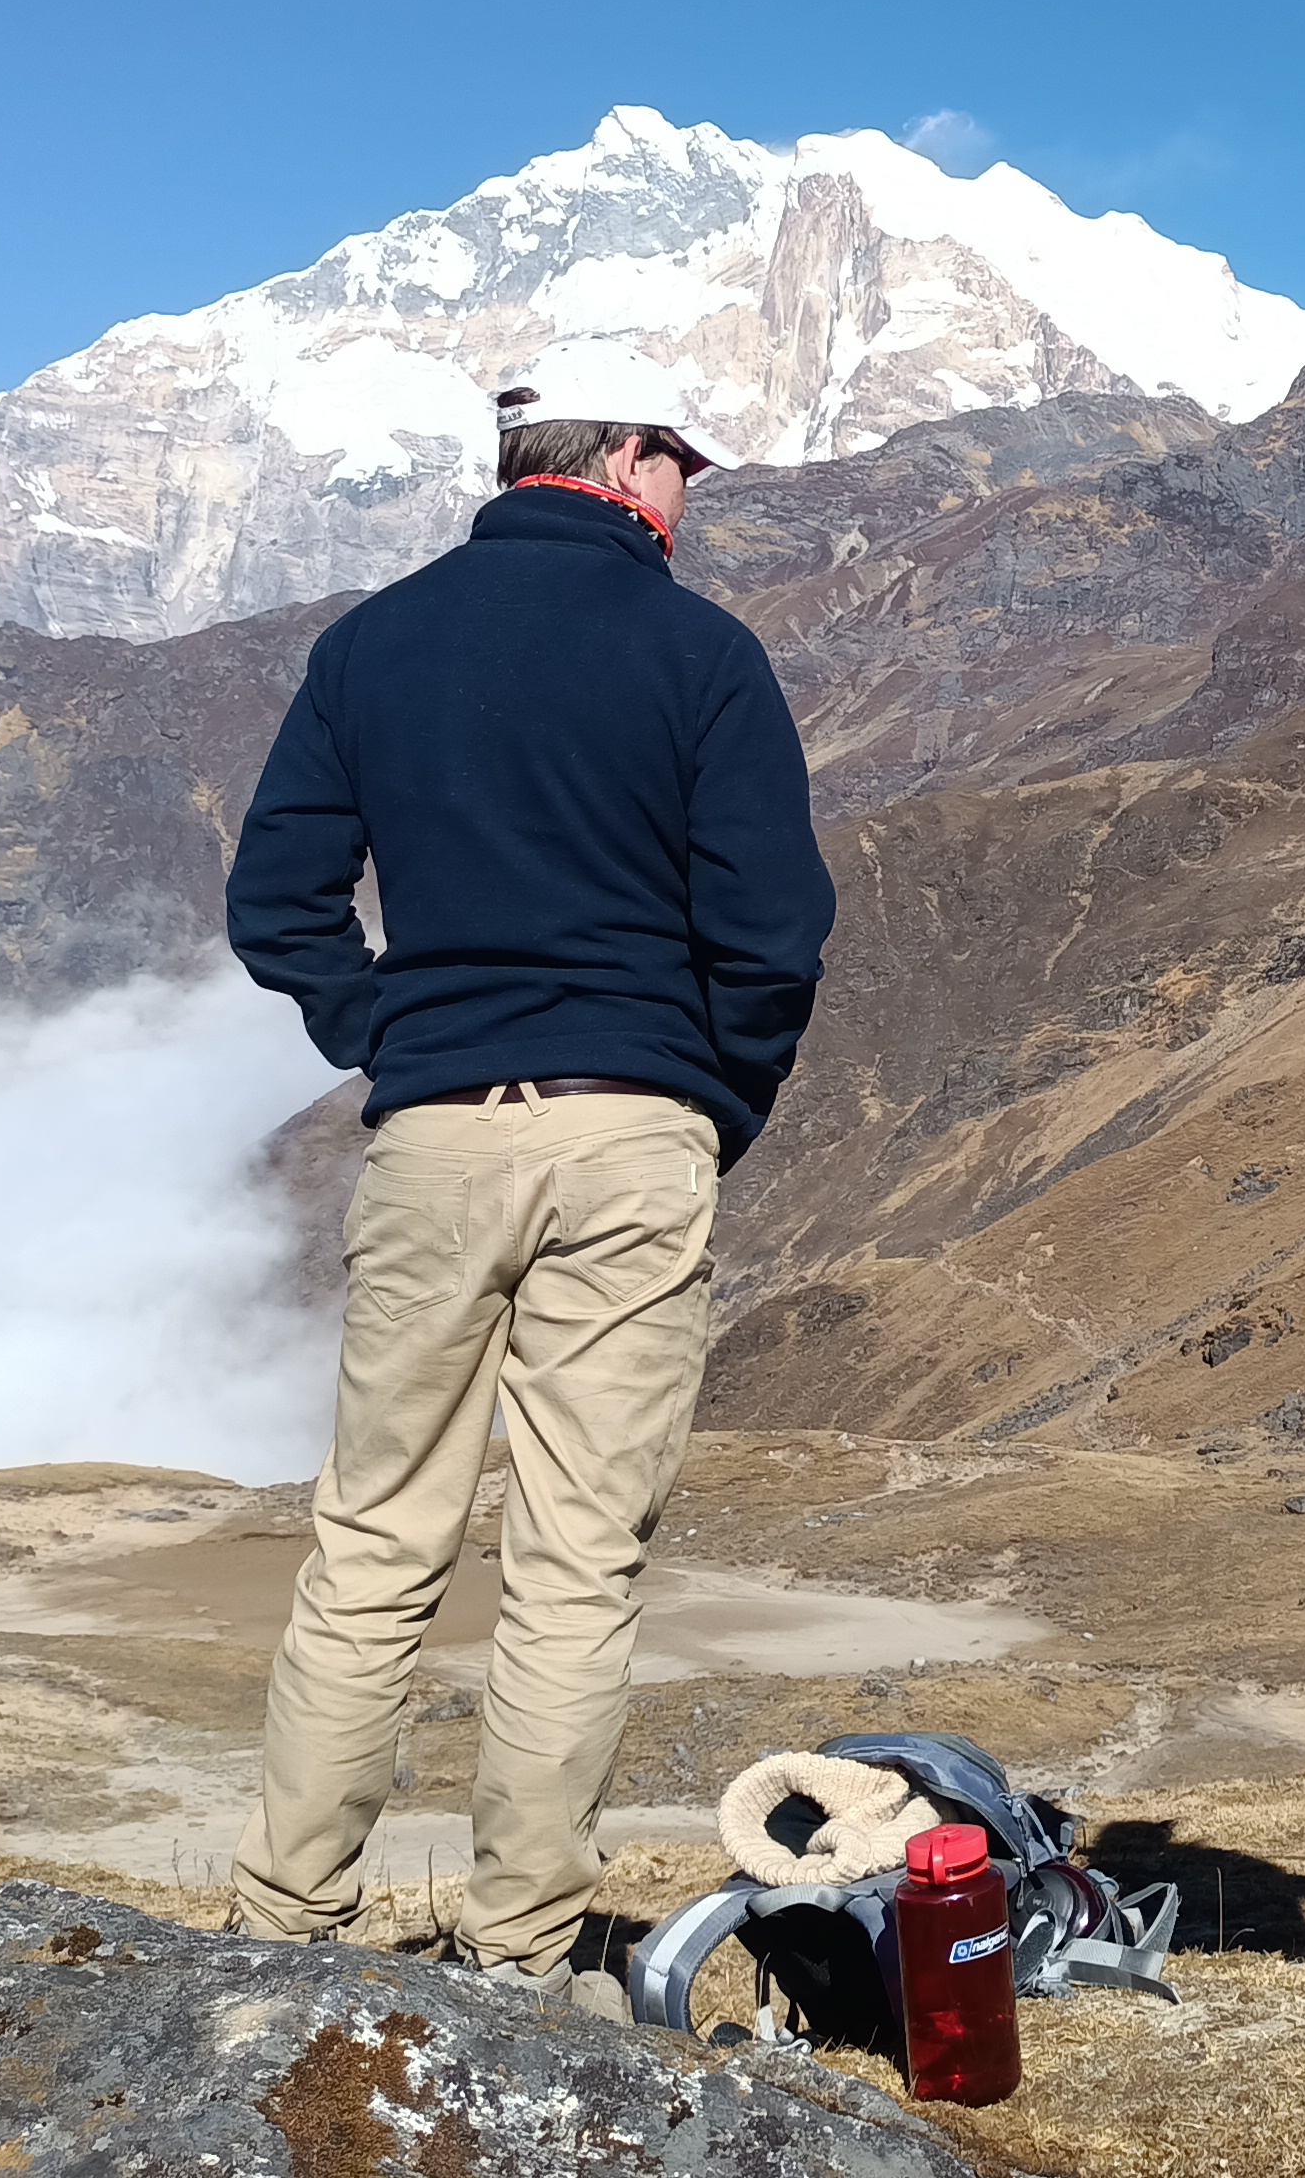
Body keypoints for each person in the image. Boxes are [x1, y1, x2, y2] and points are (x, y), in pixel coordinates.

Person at [221, 341, 836, 2002]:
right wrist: (710, 1101)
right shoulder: (702, 657)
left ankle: (283, 1922)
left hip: (432, 1138)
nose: (690, 492)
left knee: (373, 1541)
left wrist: (391, 1031)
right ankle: (520, 1949)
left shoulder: (372, 644)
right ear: (626, 456)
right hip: (630, 1133)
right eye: (683, 462)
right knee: (577, 1560)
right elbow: (775, 929)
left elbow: (274, 903)